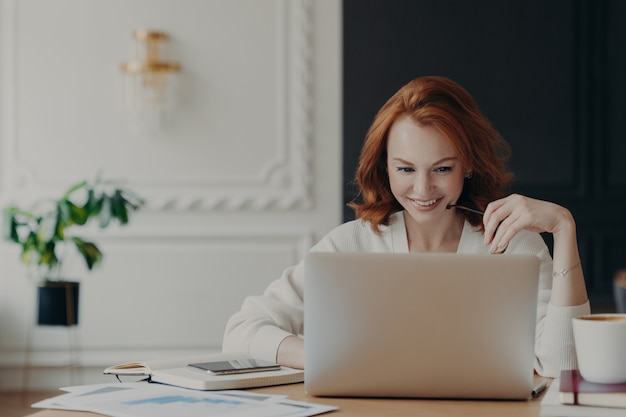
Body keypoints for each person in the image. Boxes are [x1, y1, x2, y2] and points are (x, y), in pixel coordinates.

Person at [222, 76, 590, 378]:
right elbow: (241, 332)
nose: (423, 189)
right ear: (384, 167)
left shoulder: (515, 246)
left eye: (442, 169)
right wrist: (330, 357)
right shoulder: (351, 244)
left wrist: (563, 227)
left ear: (469, 165)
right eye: (406, 169)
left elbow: (563, 365)